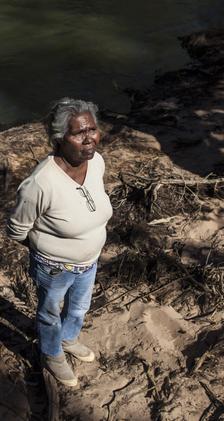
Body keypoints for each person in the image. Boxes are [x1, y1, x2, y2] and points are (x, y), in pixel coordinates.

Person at [7, 98, 113, 387]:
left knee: (79, 309)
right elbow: (16, 229)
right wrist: (48, 253)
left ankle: (68, 339)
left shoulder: (97, 163)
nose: (89, 137)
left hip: (89, 262)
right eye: (79, 133)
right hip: (54, 268)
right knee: (49, 314)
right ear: (58, 138)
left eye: (92, 129)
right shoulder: (41, 183)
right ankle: (52, 353)